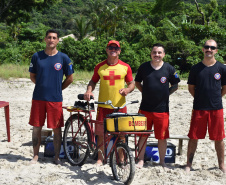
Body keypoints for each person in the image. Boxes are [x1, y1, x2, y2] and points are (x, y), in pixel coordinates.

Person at [84, 40, 135, 166]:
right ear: (107, 50)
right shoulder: (100, 66)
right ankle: (100, 159)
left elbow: (131, 83)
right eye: (110, 47)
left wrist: (127, 90)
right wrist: (89, 91)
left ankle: (121, 159)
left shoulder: (125, 66)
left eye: (116, 48)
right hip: (103, 105)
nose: (113, 50)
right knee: (101, 134)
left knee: (122, 135)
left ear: (119, 51)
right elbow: (93, 82)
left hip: (120, 106)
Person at [29, 29, 74, 165]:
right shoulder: (37, 56)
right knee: (36, 127)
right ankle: (35, 156)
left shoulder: (64, 58)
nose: (51, 40)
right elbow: (32, 76)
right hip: (38, 98)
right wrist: (43, 85)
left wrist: (57, 88)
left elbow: (70, 78)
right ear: (45, 39)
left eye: (54, 38)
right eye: (49, 37)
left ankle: (56, 157)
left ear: (58, 40)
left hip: (55, 99)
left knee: (56, 128)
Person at [135, 43, 180, 169]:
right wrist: (145, 91)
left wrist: (166, 94)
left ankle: (162, 162)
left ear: (164, 54)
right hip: (145, 109)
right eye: (154, 52)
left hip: (162, 110)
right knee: (143, 136)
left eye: (159, 53)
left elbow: (175, 85)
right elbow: (137, 82)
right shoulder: (144, 67)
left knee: (162, 137)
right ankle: (140, 160)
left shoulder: (169, 69)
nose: (157, 55)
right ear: (151, 53)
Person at [185, 39, 226, 173]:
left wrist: (216, 97)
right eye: (206, 47)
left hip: (216, 108)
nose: (209, 49)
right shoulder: (196, 68)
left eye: (212, 48)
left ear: (216, 51)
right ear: (203, 49)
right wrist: (200, 99)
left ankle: (221, 165)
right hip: (199, 108)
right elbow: (191, 88)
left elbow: (224, 88)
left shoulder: (222, 68)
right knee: (193, 137)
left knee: (219, 138)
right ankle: (188, 165)